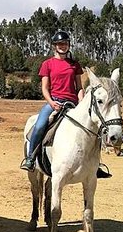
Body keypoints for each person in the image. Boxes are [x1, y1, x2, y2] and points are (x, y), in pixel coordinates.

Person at [21, 30, 84, 171]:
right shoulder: (47, 64)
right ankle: (30, 158)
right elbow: (45, 88)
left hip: (72, 103)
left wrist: (82, 103)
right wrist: (52, 103)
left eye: (65, 43)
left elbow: (79, 87)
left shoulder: (74, 64)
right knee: (40, 125)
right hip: (55, 101)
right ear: (54, 46)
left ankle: (95, 164)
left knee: (91, 126)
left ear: (69, 45)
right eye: (60, 44)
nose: (63, 46)